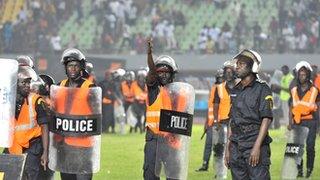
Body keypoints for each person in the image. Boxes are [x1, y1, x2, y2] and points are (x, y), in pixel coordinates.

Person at [224, 49, 273, 179]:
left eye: (242, 64)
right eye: (237, 63)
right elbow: (231, 120)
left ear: (252, 66)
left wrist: (257, 147)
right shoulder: (235, 90)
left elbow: (266, 119)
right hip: (236, 145)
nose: (237, 66)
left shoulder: (262, 89)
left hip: (254, 141)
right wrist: (227, 149)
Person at [53, 48, 97, 180]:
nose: (72, 69)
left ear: (81, 67)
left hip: (84, 146)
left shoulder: (91, 88)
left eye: (76, 66)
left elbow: (97, 117)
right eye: (69, 65)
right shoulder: (58, 86)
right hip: (64, 146)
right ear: (65, 68)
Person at [143, 38, 183, 180]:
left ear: (173, 74)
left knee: (173, 175)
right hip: (154, 138)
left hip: (172, 140)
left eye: (167, 72)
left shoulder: (180, 93)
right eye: (160, 72)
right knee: (150, 176)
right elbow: (152, 74)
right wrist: (150, 56)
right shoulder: (154, 89)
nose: (163, 74)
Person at [6, 66, 49, 180]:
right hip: (14, 146)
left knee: (29, 175)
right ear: (15, 83)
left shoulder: (36, 100)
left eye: (28, 83)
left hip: (33, 145)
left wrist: (45, 152)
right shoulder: (5, 101)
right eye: (23, 83)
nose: (27, 86)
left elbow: (44, 126)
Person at [288, 61, 319, 178]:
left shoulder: (314, 89)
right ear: (297, 75)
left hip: (311, 121)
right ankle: (299, 171)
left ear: (308, 74)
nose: (302, 76)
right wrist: (290, 121)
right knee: (297, 147)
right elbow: (292, 105)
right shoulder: (294, 89)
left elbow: (314, 105)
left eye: (304, 74)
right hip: (297, 121)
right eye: (300, 74)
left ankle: (309, 171)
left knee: (310, 146)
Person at [196, 69, 224, 172]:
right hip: (211, 123)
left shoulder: (225, 89)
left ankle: (219, 167)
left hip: (220, 123)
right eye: (219, 77)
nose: (220, 79)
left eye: (222, 77)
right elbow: (210, 107)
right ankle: (205, 164)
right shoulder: (213, 89)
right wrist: (206, 122)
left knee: (219, 146)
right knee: (208, 145)